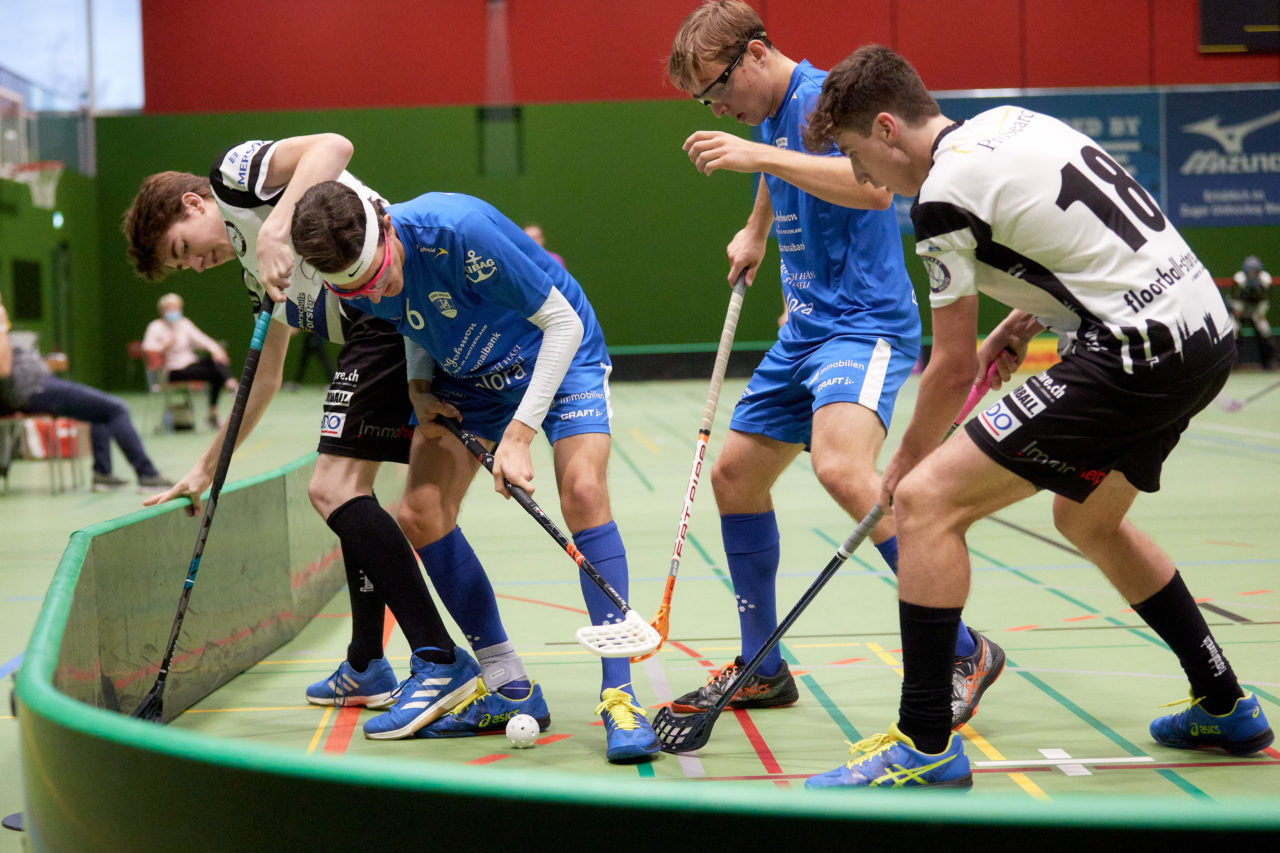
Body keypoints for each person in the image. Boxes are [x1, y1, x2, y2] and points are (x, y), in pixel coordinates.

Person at [798, 44, 1274, 789]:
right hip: (1205, 335)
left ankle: (925, 743)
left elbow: (952, 367)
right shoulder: (1011, 124)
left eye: (859, 157)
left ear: (887, 128)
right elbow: (1090, 236)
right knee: (1087, 520)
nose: (865, 179)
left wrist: (900, 466)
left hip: (1132, 352)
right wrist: (1022, 316)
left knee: (925, 505)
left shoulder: (938, 200)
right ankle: (1224, 701)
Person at [664, 1, 1002, 725]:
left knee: (843, 467)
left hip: (866, 322)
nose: (718, 106)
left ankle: (965, 649)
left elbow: (876, 188)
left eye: (717, 86)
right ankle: (763, 663)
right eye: (705, 99)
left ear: (756, 53)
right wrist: (755, 230)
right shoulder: (768, 111)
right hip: (807, 326)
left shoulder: (823, 97)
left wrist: (762, 158)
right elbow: (776, 162)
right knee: (735, 475)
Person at [123, 135, 481, 740]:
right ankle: (368, 663)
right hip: (383, 328)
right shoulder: (250, 269)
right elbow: (264, 378)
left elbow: (334, 146)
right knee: (351, 493)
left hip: (392, 311)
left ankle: (440, 660)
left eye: (185, 249)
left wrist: (276, 227)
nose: (195, 264)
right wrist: (206, 468)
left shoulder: (237, 180)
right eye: (184, 266)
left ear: (193, 203)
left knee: (333, 488)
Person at [290, 181, 660, 762]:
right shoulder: (352, 275)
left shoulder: (460, 232)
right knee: (420, 511)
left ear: (385, 225)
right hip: (466, 376)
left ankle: (620, 694)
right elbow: (408, 316)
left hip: (554, 356)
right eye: (356, 289)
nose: (374, 290)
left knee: (583, 490)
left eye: (378, 273)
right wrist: (417, 383)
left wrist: (519, 436)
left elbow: (562, 325)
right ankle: (509, 685)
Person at [0, 292, 173, 492]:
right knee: (117, 409)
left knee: (100, 412)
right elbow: (3, 369)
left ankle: (103, 475)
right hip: (30, 392)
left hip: (41, 384)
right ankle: (147, 475)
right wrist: (2, 326)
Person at [142, 292, 238, 428]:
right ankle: (231, 385)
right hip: (172, 371)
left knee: (216, 363)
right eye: (169, 308)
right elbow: (148, 349)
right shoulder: (155, 327)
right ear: (162, 310)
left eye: (176, 307)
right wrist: (166, 344)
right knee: (214, 372)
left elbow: (202, 339)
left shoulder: (184, 324)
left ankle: (214, 412)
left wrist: (217, 350)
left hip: (190, 364)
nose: (173, 311)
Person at [1228, 255, 1273, 369]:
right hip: (1238, 309)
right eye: (1250, 272)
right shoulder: (1239, 280)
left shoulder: (1266, 280)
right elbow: (1235, 301)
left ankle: (1268, 362)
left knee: (1264, 329)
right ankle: (1233, 363)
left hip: (1255, 309)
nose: (1252, 274)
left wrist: (1260, 314)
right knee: (1233, 329)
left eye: (1255, 271)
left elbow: (1265, 300)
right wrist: (1237, 314)